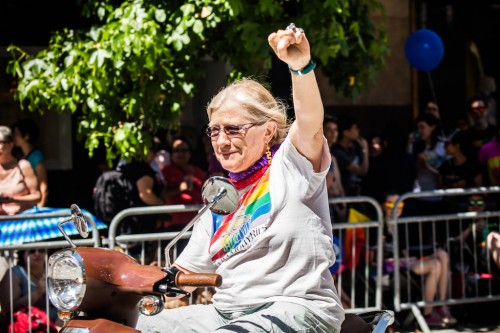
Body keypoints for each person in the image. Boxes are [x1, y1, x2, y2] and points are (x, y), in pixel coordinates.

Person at [136, 24, 344, 332]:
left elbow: (311, 122)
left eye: (233, 129)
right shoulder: (220, 198)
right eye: (215, 130)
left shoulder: (291, 165)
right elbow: (183, 273)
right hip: (226, 312)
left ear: (268, 131)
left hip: (297, 308)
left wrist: (300, 68)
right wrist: (127, 280)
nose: (221, 140)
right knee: (136, 325)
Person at [383, 192, 457, 327]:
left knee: (442, 255)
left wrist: (407, 257)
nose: (394, 208)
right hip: (390, 267)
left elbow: (407, 250)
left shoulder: (404, 224)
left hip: (408, 262)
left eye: (399, 205)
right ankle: (428, 313)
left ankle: (441, 305)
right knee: (435, 265)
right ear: (384, 206)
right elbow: (375, 256)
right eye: (390, 205)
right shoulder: (378, 225)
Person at [0, 249, 59, 329]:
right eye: (32, 251)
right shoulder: (14, 273)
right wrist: (38, 293)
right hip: (24, 327)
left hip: (55, 326)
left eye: (41, 251)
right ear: (23, 255)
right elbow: (8, 309)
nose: (37, 254)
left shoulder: (54, 272)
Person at [0, 126, 41, 215]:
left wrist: (12, 199)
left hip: (20, 222)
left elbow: (37, 197)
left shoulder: (23, 166)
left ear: (10, 145)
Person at [11, 118, 49, 208]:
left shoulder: (36, 156)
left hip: (36, 206)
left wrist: (40, 207)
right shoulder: (21, 156)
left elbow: (43, 185)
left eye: (16, 134)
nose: (14, 138)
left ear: (26, 136)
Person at [331, 113, 369, 197]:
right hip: (344, 194)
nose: (358, 131)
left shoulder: (351, 149)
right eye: (355, 128)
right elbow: (362, 171)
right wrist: (365, 149)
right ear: (346, 133)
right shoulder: (338, 153)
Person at [323, 115, 346, 221]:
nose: (333, 133)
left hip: (337, 203)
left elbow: (339, 183)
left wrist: (343, 203)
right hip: (328, 207)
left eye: (335, 130)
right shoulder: (322, 155)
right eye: (329, 130)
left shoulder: (332, 157)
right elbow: (327, 184)